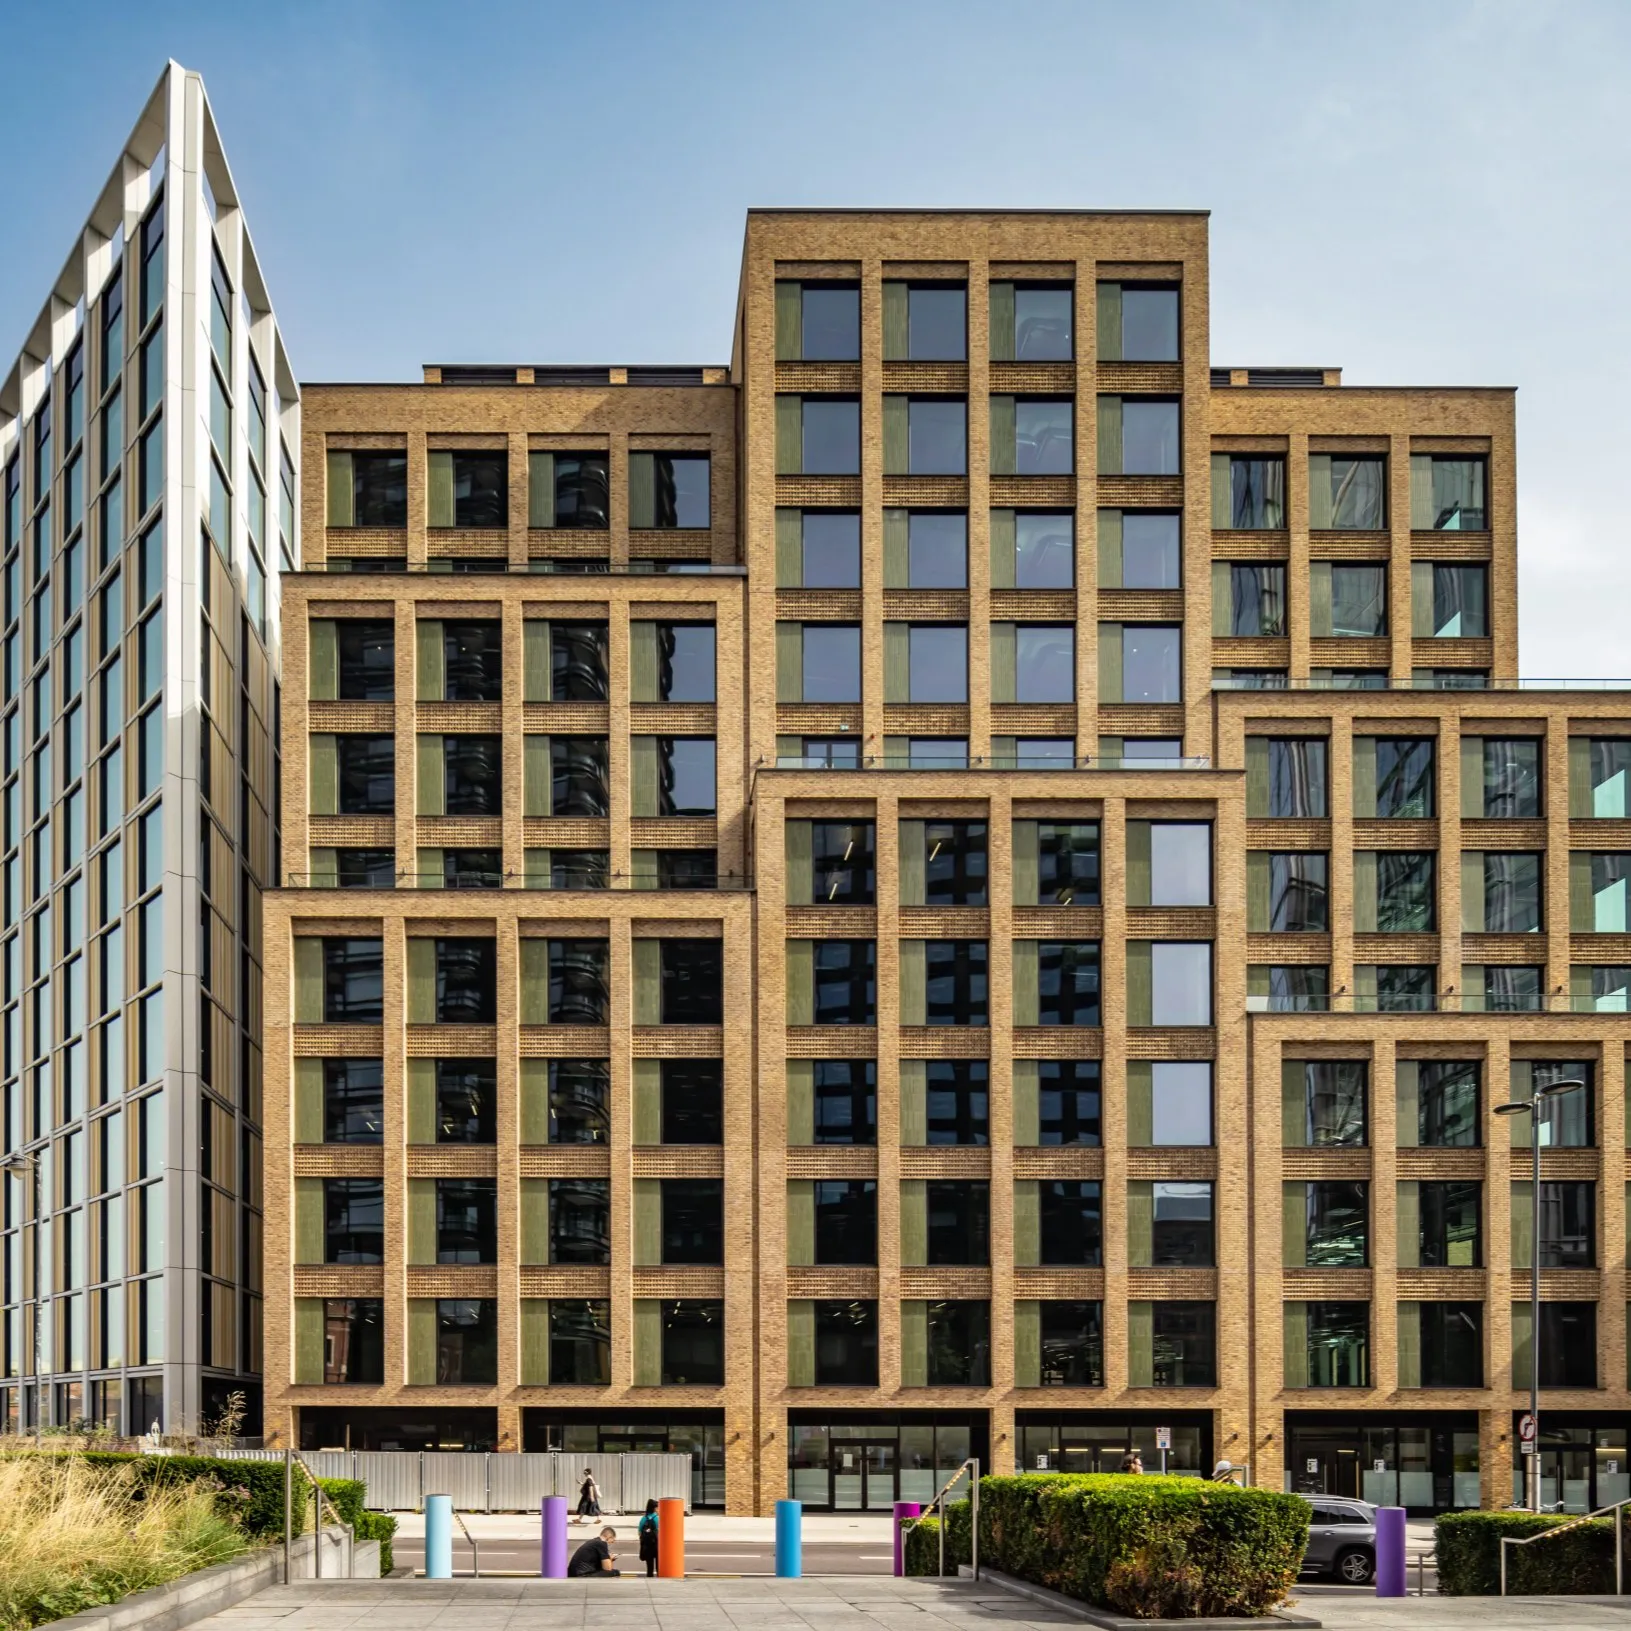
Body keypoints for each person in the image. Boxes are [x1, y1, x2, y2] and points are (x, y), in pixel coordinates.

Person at [637, 1499, 659, 1577]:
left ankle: (650, 1579)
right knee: (659, 1566)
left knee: (649, 1568)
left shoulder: (644, 1518)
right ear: (654, 1508)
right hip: (656, 1545)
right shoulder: (657, 1518)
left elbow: (639, 1532)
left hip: (647, 1546)